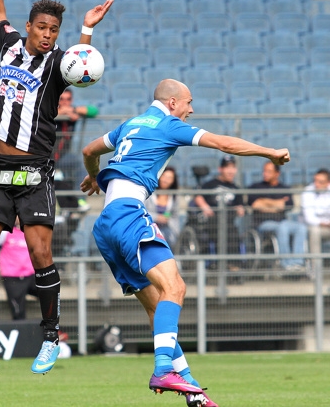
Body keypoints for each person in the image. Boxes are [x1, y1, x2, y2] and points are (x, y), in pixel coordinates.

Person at [79, 78, 289, 406]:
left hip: (105, 224)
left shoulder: (129, 124)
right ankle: (163, 368)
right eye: (189, 102)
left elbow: (89, 150)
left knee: (158, 306)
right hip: (129, 214)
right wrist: (270, 152)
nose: (191, 109)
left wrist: (93, 175)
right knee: (175, 288)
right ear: (173, 102)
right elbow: (225, 145)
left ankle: (191, 388)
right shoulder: (169, 125)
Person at [0, 0, 114, 375]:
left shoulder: (58, 63)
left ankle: (50, 337)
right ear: (29, 26)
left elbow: (82, 67)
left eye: (54, 29)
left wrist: (86, 31)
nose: (48, 34)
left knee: (39, 252)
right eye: (42, 27)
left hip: (33, 172)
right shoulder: (9, 46)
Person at [247, 162, 307, 272]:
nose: (265, 174)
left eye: (269, 171)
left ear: (277, 173)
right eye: (264, 171)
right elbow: (255, 205)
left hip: (283, 222)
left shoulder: (284, 188)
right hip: (263, 224)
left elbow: (288, 205)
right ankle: (286, 264)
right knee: (282, 227)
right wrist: (278, 204)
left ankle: (297, 263)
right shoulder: (255, 187)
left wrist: (264, 202)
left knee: (301, 228)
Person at [191, 156, 245, 270]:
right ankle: (221, 263)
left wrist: (240, 209)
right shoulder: (210, 184)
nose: (230, 171)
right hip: (212, 221)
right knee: (220, 229)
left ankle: (233, 264)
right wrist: (205, 207)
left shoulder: (236, 188)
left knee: (232, 231)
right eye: (227, 168)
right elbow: (198, 197)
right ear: (220, 169)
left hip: (229, 221)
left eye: (233, 168)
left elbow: (240, 207)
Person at [54, 87, 99, 184]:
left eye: (68, 99)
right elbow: (43, 113)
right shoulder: (51, 110)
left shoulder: (73, 111)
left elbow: (94, 111)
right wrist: (63, 113)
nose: (65, 102)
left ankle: (80, 198)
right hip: (46, 156)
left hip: (62, 156)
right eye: (62, 99)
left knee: (79, 164)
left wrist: (74, 110)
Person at [0, 220, 38, 321]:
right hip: (12, 276)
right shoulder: (5, 232)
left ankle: (52, 328)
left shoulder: (32, 232)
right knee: (18, 311)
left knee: (49, 294)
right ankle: (22, 334)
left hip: (30, 275)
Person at [144, 166, 181, 248]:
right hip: (149, 231)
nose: (165, 180)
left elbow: (174, 216)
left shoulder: (174, 197)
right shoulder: (149, 194)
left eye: (169, 178)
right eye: (164, 176)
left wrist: (167, 220)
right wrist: (157, 217)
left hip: (167, 234)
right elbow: (143, 211)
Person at [301, 169, 330, 260]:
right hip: (313, 227)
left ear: (328, 183)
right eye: (315, 181)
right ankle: (316, 271)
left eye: (321, 182)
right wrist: (326, 223)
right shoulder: (307, 192)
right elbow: (309, 219)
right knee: (315, 231)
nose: (317, 184)